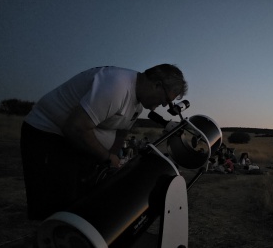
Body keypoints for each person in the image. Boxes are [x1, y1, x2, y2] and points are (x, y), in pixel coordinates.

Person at [20, 64, 188, 220]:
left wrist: (112, 159)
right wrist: (107, 157)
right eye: (165, 100)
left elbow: (122, 133)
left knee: (80, 200)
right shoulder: (117, 86)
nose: (162, 106)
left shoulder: (137, 105)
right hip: (48, 136)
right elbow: (76, 128)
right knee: (55, 206)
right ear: (157, 85)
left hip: (75, 143)